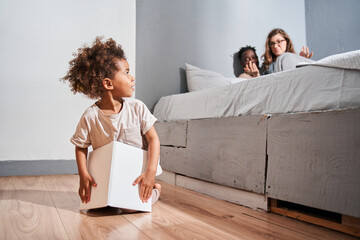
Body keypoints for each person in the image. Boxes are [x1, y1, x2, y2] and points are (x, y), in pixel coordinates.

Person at [61, 37, 161, 211]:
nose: (132, 77)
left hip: (136, 172)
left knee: (130, 208)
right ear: (108, 83)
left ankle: (154, 191)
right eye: (127, 72)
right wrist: (83, 174)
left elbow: (153, 140)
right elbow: (80, 146)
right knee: (97, 207)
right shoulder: (90, 116)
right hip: (107, 174)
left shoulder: (137, 108)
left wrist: (150, 172)